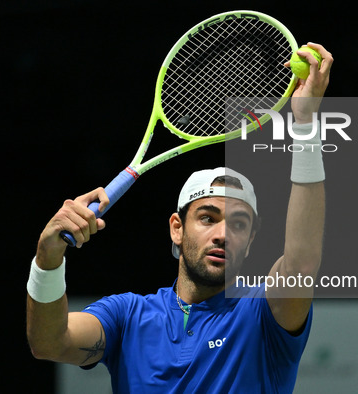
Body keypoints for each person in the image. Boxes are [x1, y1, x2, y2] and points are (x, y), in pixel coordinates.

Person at [26, 42, 333, 393]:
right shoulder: (127, 317)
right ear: (176, 228)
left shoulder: (263, 315)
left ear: (250, 242)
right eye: (207, 218)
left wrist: (306, 124)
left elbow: (302, 264)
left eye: (238, 224)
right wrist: (47, 259)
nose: (222, 234)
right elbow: (49, 343)